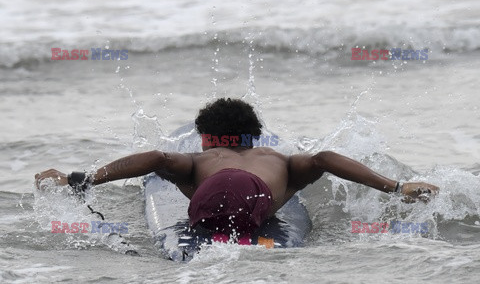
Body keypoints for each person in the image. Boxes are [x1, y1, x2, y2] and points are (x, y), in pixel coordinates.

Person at [35, 98, 439, 242]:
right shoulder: (281, 162)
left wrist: (82, 179)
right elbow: (326, 158)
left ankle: (78, 184)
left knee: (189, 184)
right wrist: (395, 185)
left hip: (210, 199)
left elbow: (154, 158)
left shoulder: (198, 160)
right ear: (254, 137)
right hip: (258, 201)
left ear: (207, 138)